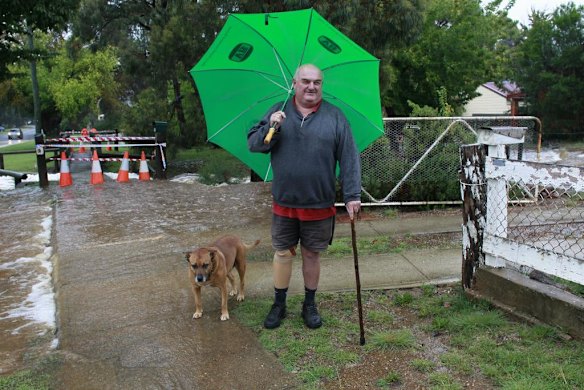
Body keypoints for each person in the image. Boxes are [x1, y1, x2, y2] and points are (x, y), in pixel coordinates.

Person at [248, 64, 361, 329]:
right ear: (294, 83)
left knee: (312, 255)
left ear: (322, 85)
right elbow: (255, 145)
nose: (312, 87)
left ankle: (309, 304)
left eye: (317, 82)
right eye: (306, 81)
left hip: (319, 203)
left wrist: (352, 194)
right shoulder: (278, 110)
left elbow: (348, 157)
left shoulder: (335, 117)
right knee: (283, 254)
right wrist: (271, 127)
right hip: (284, 202)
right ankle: (279, 303)